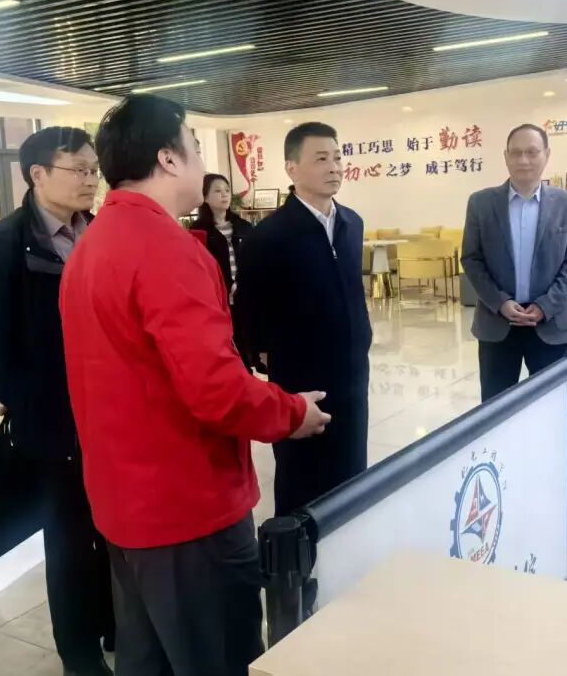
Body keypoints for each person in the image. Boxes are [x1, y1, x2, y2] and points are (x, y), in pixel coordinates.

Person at [59, 95, 330, 676]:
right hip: (187, 509)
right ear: (167, 158)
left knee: (149, 659)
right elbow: (216, 390)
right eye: (195, 146)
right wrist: (290, 413)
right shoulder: (165, 249)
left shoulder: (93, 244)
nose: (203, 161)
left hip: (125, 504)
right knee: (219, 656)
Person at [0, 128, 114, 676]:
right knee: (69, 538)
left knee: (110, 529)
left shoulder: (97, 232)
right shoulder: (4, 245)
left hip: (108, 416)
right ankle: (80, 653)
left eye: (94, 169)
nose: (90, 180)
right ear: (37, 175)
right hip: (52, 424)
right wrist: (35, 406)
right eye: (78, 169)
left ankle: (115, 623)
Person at [236, 122, 373, 518]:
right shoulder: (268, 237)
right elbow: (249, 311)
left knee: (351, 470)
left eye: (337, 158)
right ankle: (297, 551)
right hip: (300, 380)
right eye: (321, 159)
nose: (334, 167)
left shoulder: (351, 223)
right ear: (292, 169)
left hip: (353, 372)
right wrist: (266, 356)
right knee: (303, 478)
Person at [461, 124, 567, 402]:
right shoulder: (481, 203)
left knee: (552, 406)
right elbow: (471, 258)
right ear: (505, 157)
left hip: (550, 326)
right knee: (496, 408)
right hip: (497, 325)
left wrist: (546, 305)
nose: (524, 160)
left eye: (532, 152)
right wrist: (500, 302)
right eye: (516, 153)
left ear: (546, 155)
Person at [191, 174, 254, 365]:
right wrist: (226, 285)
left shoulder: (244, 227)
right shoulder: (199, 231)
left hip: (245, 296)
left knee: (248, 342)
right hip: (218, 299)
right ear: (205, 196)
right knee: (227, 343)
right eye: (217, 191)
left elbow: (254, 261)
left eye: (227, 190)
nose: (224, 195)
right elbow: (199, 268)